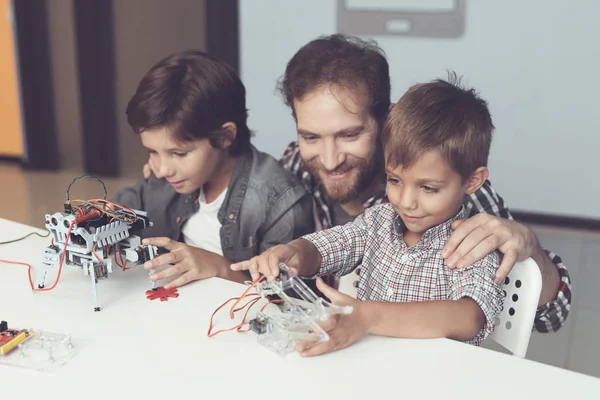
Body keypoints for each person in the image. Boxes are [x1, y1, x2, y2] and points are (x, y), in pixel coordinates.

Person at [274, 34, 571, 334]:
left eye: (348, 135)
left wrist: (528, 246)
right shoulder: (293, 168)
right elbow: (314, 253)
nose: (329, 160)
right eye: (311, 137)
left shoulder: (464, 201)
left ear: (386, 120)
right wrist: (295, 253)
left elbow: (548, 318)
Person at [232, 75, 505, 356]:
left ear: (473, 181)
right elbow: (331, 246)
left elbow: (470, 317)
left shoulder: (473, 243)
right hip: (368, 366)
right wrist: (295, 252)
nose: (406, 201)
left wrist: (369, 316)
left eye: (428, 188)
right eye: (395, 180)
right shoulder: (378, 221)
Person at [112, 50, 314, 289]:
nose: (163, 169)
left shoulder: (280, 202)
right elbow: (118, 211)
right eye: (153, 151)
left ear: (226, 136)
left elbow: (289, 302)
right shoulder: (163, 174)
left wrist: (218, 267)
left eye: (179, 153)